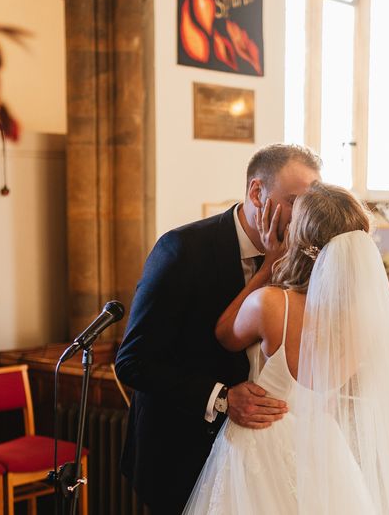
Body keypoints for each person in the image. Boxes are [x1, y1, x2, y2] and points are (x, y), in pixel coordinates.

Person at [184, 182, 389, 514]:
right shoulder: (366, 320)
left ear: (299, 240)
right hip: (324, 450)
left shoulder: (272, 305)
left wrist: (267, 267)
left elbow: (224, 334)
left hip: (261, 447)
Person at [115, 143, 321, 512]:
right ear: (257, 192)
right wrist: (223, 397)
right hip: (180, 452)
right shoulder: (182, 250)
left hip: (259, 465)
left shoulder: (303, 260)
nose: (302, 215)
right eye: (294, 201)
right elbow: (133, 361)